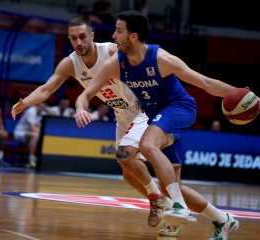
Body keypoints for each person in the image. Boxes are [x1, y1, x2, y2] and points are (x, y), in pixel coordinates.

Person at [74, 11, 258, 239]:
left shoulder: (161, 59)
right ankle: (223, 220)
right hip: (157, 117)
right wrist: (81, 108)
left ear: (133, 36)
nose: (113, 35)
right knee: (171, 185)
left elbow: (205, 83)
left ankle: (178, 207)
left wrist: (240, 94)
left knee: (147, 145)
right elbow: (86, 93)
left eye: (118, 31)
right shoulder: (116, 64)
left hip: (179, 109)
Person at [10, 17, 172, 232]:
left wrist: (149, 93)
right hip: (122, 115)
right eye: (73, 38)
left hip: (142, 110)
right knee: (128, 173)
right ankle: (168, 209)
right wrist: (26, 103)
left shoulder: (112, 51)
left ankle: (157, 197)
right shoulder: (70, 63)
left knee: (125, 156)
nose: (79, 42)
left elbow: (143, 63)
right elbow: (47, 89)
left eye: (83, 36)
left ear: (92, 35)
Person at [13, 102, 48, 168]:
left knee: (39, 136)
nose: (41, 109)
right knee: (35, 135)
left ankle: (41, 159)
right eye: (40, 107)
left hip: (31, 135)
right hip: (20, 133)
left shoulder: (43, 114)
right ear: (37, 105)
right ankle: (31, 158)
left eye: (43, 108)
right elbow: (32, 128)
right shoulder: (31, 111)